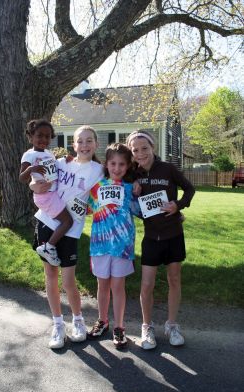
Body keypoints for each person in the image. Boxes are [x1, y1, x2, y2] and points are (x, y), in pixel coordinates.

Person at [31, 125, 103, 349]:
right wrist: (35, 185)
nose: (84, 145)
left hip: (71, 230)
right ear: (73, 145)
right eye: (80, 141)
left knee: (69, 280)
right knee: (50, 276)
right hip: (46, 222)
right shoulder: (61, 163)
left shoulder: (99, 170)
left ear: (96, 144)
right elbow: (36, 180)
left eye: (89, 140)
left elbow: (119, 180)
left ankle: (78, 320)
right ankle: (58, 324)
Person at [126, 130, 195, 349]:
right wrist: (134, 192)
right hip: (151, 238)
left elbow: (189, 189)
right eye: (135, 150)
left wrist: (178, 205)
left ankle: (172, 325)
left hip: (173, 234)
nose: (140, 153)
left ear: (152, 147)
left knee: (174, 280)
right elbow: (114, 180)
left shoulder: (167, 168)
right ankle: (147, 327)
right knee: (147, 285)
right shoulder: (132, 174)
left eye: (144, 148)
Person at [87, 143, 140, 349]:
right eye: (113, 163)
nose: (117, 168)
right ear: (106, 164)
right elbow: (86, 210)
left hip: (122, 246)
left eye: (121, 164)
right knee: (102, 286)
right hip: (100, 245)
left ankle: (119, 327)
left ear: (127, 167)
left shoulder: (131, 189)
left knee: (118, 286)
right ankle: (102, 321)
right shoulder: (96, 188)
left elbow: (142, 210)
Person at [20, 119, 73, 266]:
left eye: (47, 136)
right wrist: (31, 169)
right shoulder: (29, 155)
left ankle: (51, 243)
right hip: (44, 195)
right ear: (31, 137)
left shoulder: (49, 154)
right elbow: (21, 178)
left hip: (53, 193)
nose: (43, 139)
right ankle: (48, 247)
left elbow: (55, 169)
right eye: (39, 135)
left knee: (62, 220)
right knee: (67, 221)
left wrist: (65, 159)